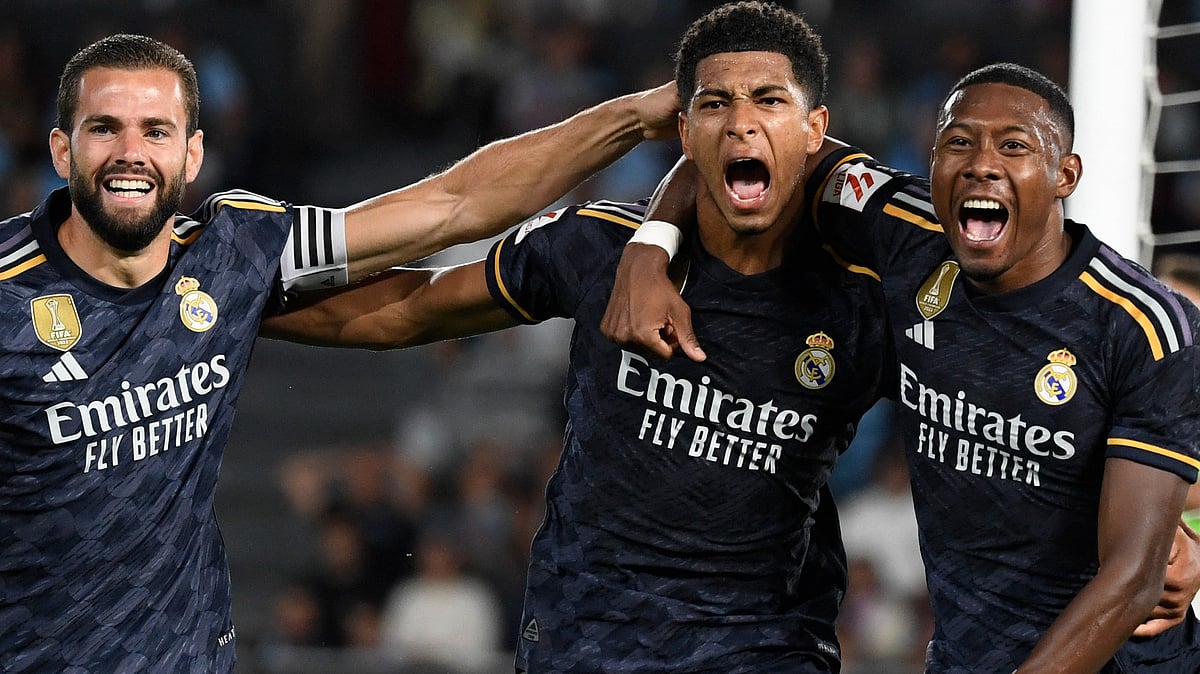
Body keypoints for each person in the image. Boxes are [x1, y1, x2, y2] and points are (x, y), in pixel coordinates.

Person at [0, 33, 678, 672]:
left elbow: (452, 205)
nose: (129, 152)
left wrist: (634, 117)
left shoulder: (231, 256)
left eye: (155, 131)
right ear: (62, 151)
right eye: (103, 128)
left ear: (192, 155)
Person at [264, 3, 892, 671]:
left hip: (764, 647)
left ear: (814, 129)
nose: (742, 122)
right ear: (683, 129)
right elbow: (414, 307)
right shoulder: (599, 244)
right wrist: (244, 309)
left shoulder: (862, 304)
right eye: (715, 104)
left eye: (769, 99)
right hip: (585, 641)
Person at [602, 61, 1200, 672]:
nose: (980, 164)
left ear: (1064, 175)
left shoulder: (1145, 326)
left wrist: (1176, 542)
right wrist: (651, 247)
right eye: (958, 142)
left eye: (1013, 146)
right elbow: (767, 147)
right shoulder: (905, 236)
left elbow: (1132, 577)